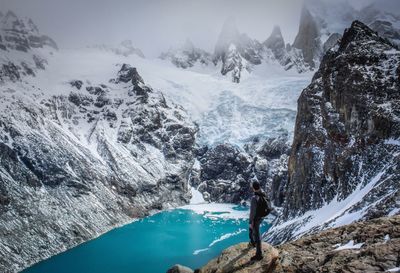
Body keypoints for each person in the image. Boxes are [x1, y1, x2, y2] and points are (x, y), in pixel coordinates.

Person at [248, 180, 266, 261]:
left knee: (256, 233)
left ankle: (259, 254)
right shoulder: (263, 194)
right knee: (256, 232)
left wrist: (250, 222)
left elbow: (252, 212)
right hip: (262, 217)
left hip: (256, 218)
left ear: (253, 188)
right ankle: (255, 244)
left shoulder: (254, 198)